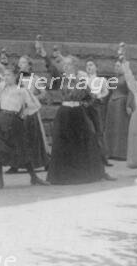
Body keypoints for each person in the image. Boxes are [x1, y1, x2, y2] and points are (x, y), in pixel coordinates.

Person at [40, 46, 108, 185]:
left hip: (78, 114)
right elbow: (53, 70)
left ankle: (87, 174)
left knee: (86, 141)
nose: (66, 67)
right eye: (65, 65)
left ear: (75, 66)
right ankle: (63, 176)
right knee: (63, 144)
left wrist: (85, 104)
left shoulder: (81, 81)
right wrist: (45, 56)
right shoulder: (62, 79)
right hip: (64, 114)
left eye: (69, 64)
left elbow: (90, 97)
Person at [0, 49, 50, 190]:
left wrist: (23, 113)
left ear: (15, 77)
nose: (6, 77)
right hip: (0, 120)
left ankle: (34, 177)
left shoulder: (21, 90)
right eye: (5, 75)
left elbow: (35, 105)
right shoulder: (1, 88)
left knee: (22, 150)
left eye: (9, 75)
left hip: (15, 122)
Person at [84, 59, 113, 167]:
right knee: (86, 129)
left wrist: (98, 96)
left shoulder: (101, 80)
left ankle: (103, 158)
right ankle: (88, 158)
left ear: (96, 67)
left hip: (96, 105)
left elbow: (106, 92)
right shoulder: (84, 79)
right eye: (87, 65)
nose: (89, 67)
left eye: (91, 65)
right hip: (85, 105)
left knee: (99, 130)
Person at [104, 60, 134, 160]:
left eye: (118, 66)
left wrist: (128, 105)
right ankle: (110, 152)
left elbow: (131, 91)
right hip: (112, 104)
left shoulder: (127, 77)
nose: (116, 68)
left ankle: (121, 153)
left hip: (121, 104)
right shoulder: (113, 78)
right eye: (115, 66)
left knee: (120, 128)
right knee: (111, 127)